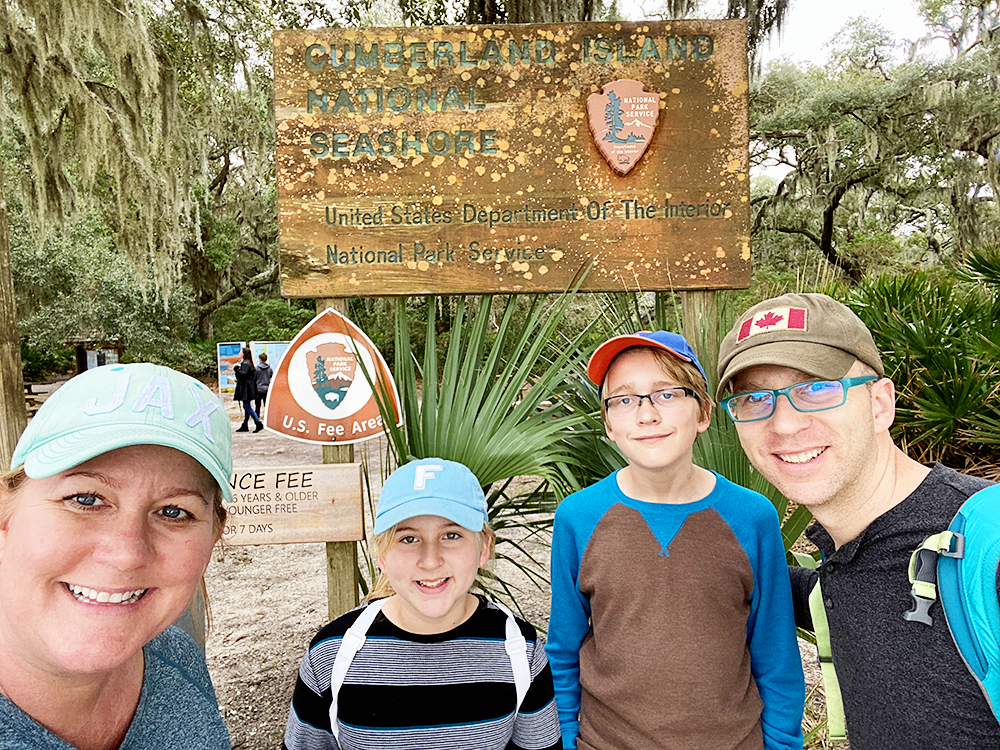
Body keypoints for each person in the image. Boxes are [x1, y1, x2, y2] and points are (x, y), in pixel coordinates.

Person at [716, 292, 998, 750]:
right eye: (754, 399)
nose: (784, 425)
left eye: (816, 388)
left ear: (879, 403)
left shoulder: (988, 546)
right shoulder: (849, 559)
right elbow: (855, 596)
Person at [547, 331, 805, 750]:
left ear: (703, 412)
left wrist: (781, 743)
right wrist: (564, 739)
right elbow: (563, 648)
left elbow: (775, 650)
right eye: (625, 399)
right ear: (609, 424)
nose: (646, 415)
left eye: (666, 394)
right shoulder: (578, 517)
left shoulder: (753, 517)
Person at [0, 362, 232, 750]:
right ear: (6, 514)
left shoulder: (175, 661)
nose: (126, 553)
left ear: (212, 538)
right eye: (85, 499)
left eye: (174, 511)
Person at [282, 457, 562, 750]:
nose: (430, 560)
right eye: (408, 539)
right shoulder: (333, 653)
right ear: (382, 556)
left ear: (484, 549)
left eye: (451, 535)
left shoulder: (519, 649)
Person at [233, 346, 262, 433]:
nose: (239, 354)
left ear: (244, 354)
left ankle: (258, 422)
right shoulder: (248, 363)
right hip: (248, 388)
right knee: (246, 406)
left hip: (246, 389)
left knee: (247, 406)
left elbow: (243, 374)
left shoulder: (245, 364)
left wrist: (236, 369)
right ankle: (245, 424)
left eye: (240, 352)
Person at [254, 352, 272, 420]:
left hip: (258, 389)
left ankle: (257, 418)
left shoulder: (257, 368)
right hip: (267, 389)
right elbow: (271, 376)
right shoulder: (269, 368)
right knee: (266, 405)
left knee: (257, 405)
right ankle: (268, 418)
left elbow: (254, 377)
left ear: (260, 359)